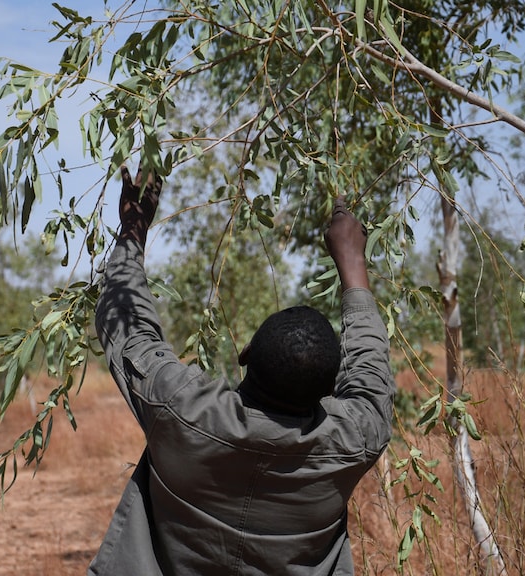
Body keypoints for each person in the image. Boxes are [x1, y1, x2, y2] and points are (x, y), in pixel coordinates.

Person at [90, 166, 395, 575]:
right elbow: (370, 372)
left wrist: (133, 227)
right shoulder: (353, 440)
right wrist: (354, 267)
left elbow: (127, 325)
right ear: (329, 388)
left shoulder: (182, 410)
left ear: (246, 354)